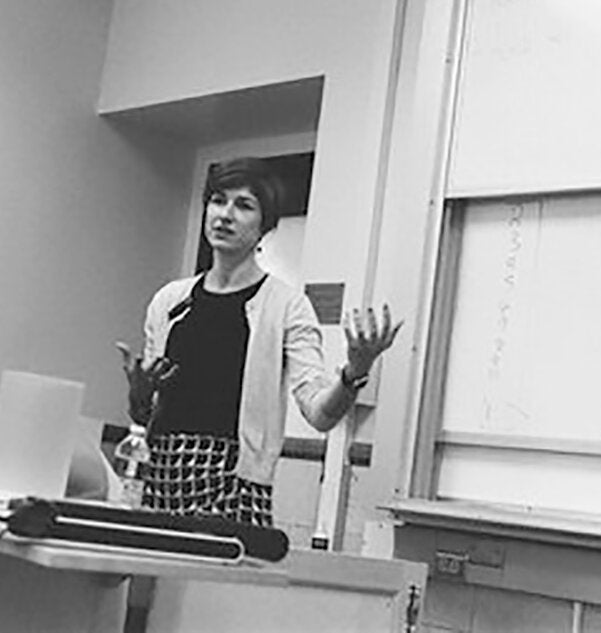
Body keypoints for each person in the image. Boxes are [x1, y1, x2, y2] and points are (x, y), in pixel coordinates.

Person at [115, 157, 401, 527]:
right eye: (218, 200)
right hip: (159, 476)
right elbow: (147, 413)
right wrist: (139, 399)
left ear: (265, 226)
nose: (225, 215)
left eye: (244, 205)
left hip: (235, 483)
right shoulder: (169, 301)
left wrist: (355, 371)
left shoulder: (287, 305)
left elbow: (320, 414)